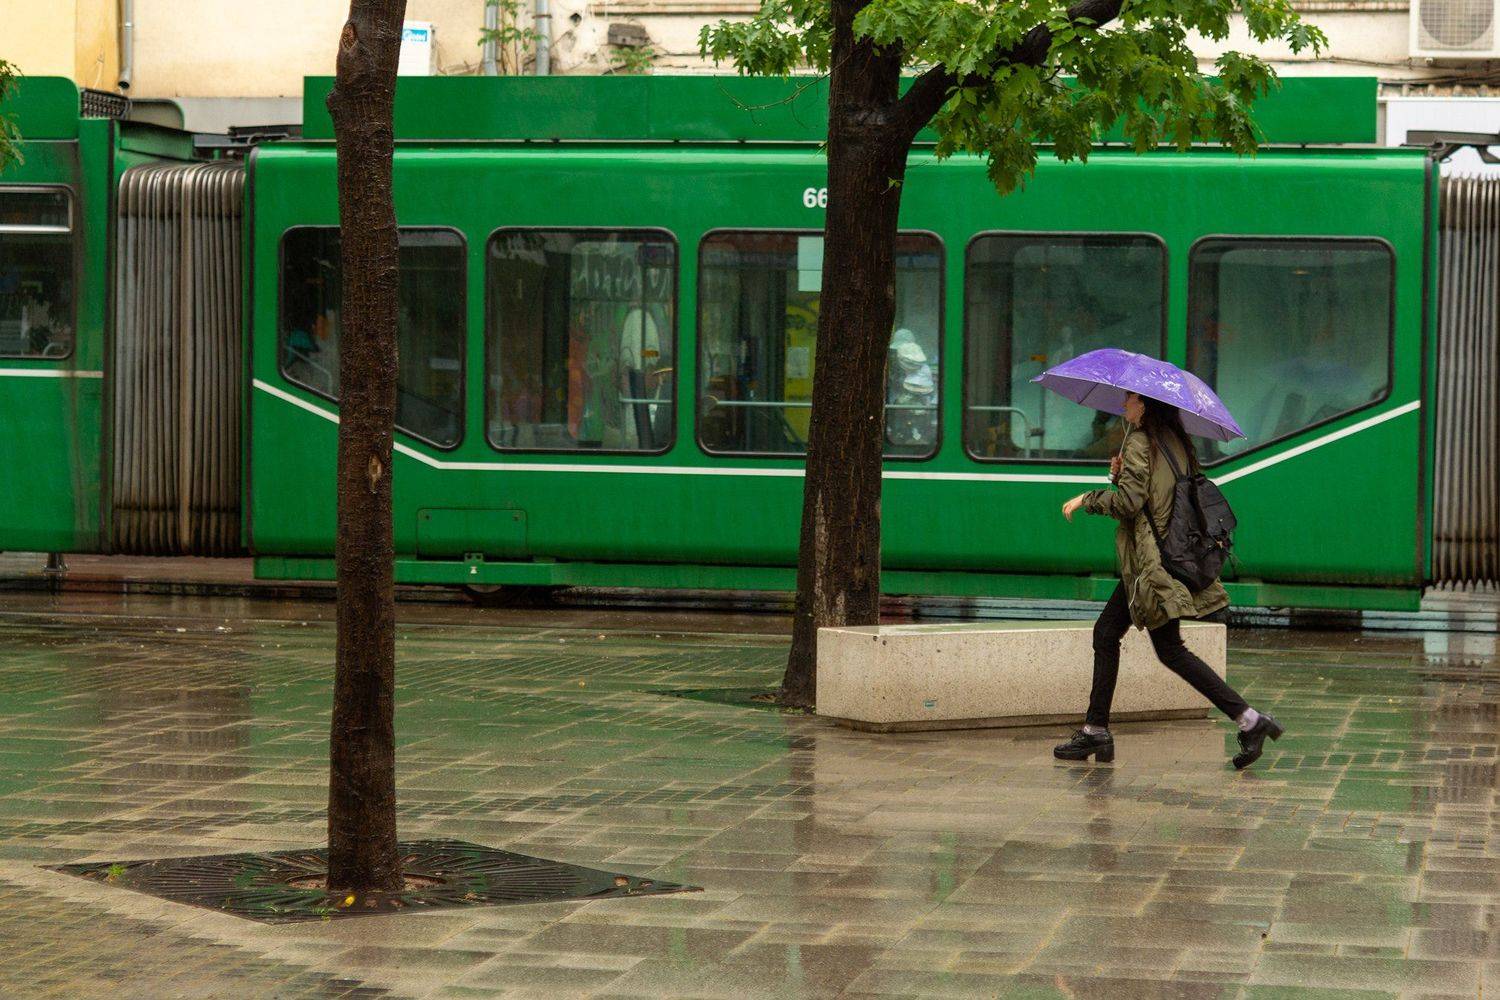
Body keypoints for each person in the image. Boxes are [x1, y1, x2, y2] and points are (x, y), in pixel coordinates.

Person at [1054, 391, 1283, 770]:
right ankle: (1096, 729)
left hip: (1153, 563)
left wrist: (1088, 498)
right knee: (1108, 634)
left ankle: (1250, 720)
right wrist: (1121, 474)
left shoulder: (1141, 442)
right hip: (1167, 556)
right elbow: (1154, 495)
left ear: (1144, 404)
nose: (1124, 406)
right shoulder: (1175, 442)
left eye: (1129, 400)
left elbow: (1129, 504)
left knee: (1166, 649)